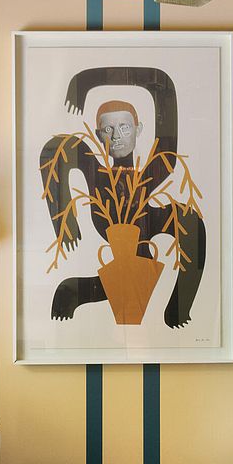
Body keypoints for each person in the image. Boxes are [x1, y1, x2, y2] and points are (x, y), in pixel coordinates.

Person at [38, 69, 207, 327]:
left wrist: (90, 79)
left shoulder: (154, 170)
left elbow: (162, 89)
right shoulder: (95, 170)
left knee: (190, 221)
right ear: (97, 135)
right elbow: (54, 152)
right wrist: (64, 221)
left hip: (146, 224)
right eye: (108, 129)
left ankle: (178, 308)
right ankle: (78, 291)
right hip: (114, 235)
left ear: (138, 129)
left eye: (124, 127)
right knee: (133, 269)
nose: (116, 136)